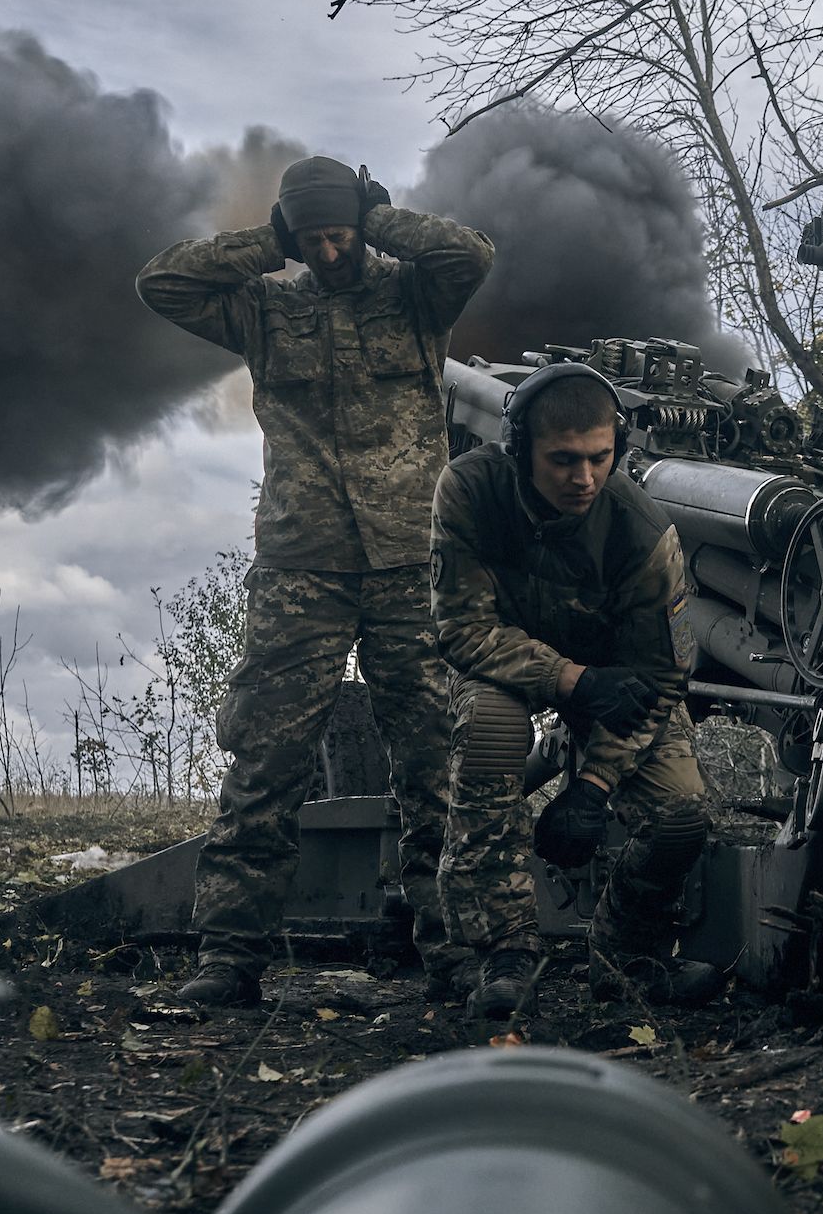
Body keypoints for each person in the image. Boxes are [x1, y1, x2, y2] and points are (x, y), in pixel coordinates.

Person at [137, 156, 493, 1007]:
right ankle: (229, 956)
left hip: (414, 558)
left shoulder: (415, 297)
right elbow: (162, 283)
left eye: (341, 236)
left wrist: (379, 220)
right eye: (317, 239)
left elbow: (469, 256)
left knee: (437, 759)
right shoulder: (264, 306)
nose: (331, 253)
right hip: (305, 564)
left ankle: (458, 955)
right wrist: (268, 242)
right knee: (266, 756)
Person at [430, 362, 726, 1018]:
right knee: (491, 732)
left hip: (619, 681)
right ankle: (501, 950)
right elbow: (461, 627)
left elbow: (661, 675)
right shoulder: (470, 491)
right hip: (506, 664)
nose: (584, 478)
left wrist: (592, 787)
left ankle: (628, 957)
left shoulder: (642, 532)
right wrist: (571, 680)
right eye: (563, 460)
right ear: (519, 448)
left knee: (681, 810)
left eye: (599, 458)